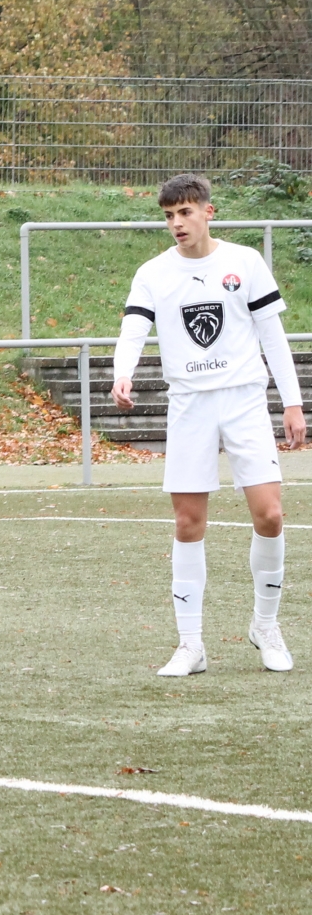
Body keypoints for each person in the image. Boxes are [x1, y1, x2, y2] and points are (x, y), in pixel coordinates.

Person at [112, 173, 306, 675]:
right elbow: (133, 328)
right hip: (190, 405)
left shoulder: (245, 262)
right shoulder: (153, 273)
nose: (177, 223)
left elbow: (273, 336)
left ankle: (265, 626)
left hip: (245, 401)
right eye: (169, 216)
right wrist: (122, 373)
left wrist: (292, 403)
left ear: (207, 212)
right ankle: (191, 645)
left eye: (185, 212)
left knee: (270, 515)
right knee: (187, 522)